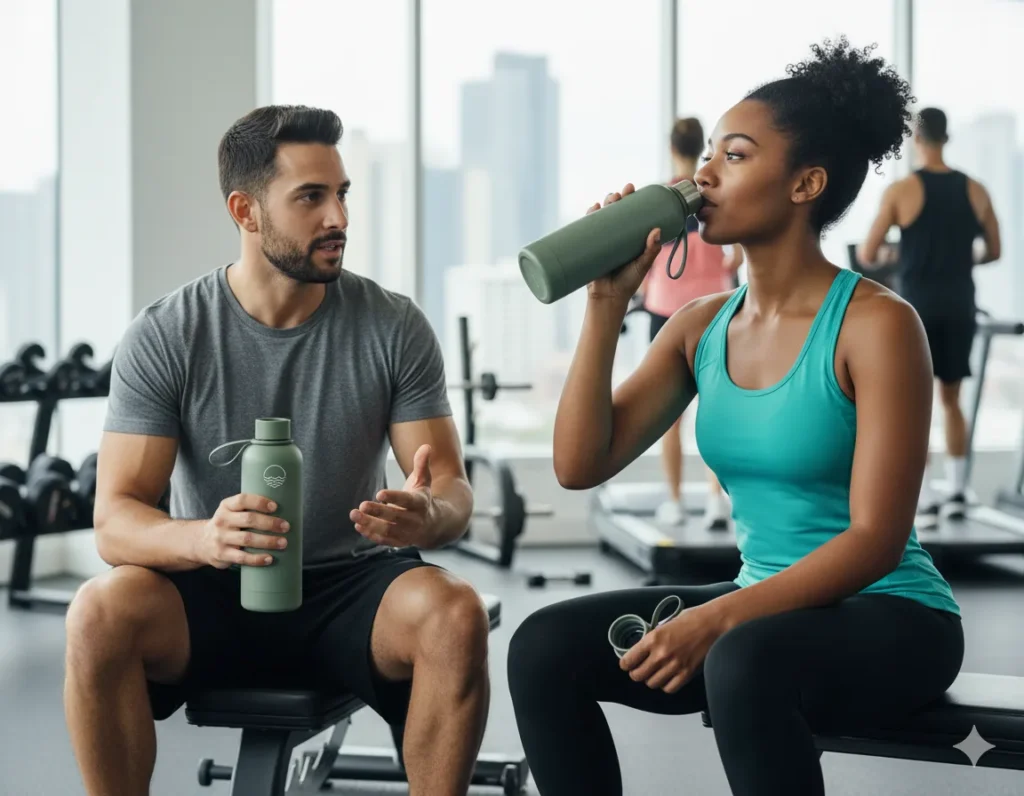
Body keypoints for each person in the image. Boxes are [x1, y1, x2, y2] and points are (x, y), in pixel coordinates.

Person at [509, 39, 963, 796]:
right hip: (761, 605)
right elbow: (579, 465)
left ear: (805, 184)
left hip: (892, 615)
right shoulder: (700, 326)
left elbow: (876, 541)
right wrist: (605, 305)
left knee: (742, 659)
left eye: (736, 155)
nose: (704, 175)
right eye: (708, 155)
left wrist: (718, 619)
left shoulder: (878, 325)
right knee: (543, 647)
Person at [63, 105, 491, 796]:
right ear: (246, 211)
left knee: (455, 614)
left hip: (351, 586)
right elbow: (114, 521)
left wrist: (428, 514)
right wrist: (204, 538)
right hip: (212, 587)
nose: (338, 217)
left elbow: (450, 490)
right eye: (310, 197)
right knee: (96, 613)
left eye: (342, 194)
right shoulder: (167, 334)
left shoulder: (394, 326)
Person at [860, 106, 1001, 526]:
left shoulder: (901, 191)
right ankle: (956, 490)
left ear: (916, 140)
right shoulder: (976, 190)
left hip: (916, 308)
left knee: (911, 404)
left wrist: (898, 256)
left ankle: (920, 497)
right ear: (947, 137)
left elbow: (868, 253)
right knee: (951, 399)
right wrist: (960, 258)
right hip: (959, 302)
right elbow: (994, 251)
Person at [639, 117, 742, 529]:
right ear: (702, 147)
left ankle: (676, 501)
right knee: (715, 407)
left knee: (669, 415)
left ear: (671, 148)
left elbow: (644, 260)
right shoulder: (713, 194)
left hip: (665, 311)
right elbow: (737, 256)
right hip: (713, 308)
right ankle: (716, 500)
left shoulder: (659, 199)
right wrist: (716, 267)